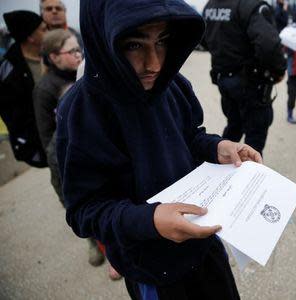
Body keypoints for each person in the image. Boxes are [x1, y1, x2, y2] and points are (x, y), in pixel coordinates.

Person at [56, 0, 262, 298]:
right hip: (152, 268)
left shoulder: (173, 85)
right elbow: (84, 210)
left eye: (162, 42)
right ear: (102, 38)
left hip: (204, 246)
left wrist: (219, 147)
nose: (154, 63)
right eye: (134, 45)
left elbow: (191, 137)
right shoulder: (81, 112)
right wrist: (149, 220)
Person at [32, 29, 106, 269]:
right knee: (87, 209)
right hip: (70, 161)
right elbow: (46, 136)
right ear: (54, 57)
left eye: (79, 49)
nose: (79, 55)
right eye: (72, 51)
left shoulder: (87, 72)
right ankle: (95, 243)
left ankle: (113, 246)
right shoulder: (45, 90)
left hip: (98, 152)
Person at [202, 0, 286, 155]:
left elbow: (204, 39)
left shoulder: (211, 6)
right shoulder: (251, 5)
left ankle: (222, 164)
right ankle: (250, 174)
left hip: (224, 78)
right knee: (255, 136)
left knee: (234, 125)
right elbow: (268, 44)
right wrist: (278, 70)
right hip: (249, 82)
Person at [0, 10, 48, 167]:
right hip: (44, 146)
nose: (48, 31)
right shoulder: (9, 72)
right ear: (31, 37)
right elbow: (14, 117)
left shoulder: (55, 53)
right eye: (43, 29)